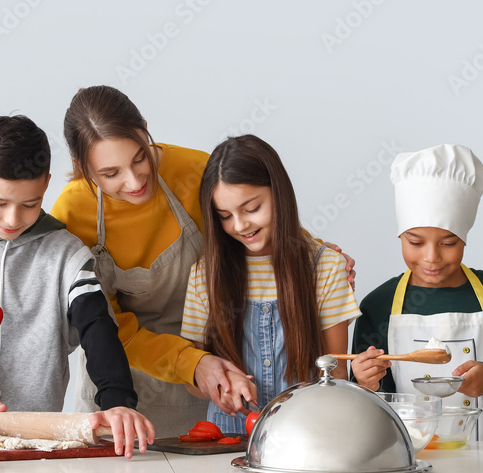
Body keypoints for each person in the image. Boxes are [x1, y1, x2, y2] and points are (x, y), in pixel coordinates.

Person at [51, 85, 356, 437]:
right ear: (80, 166)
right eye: (110, 174)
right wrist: (191, 363)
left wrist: (315, 253)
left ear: (145, 130)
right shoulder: (72, 212)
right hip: (118, 384)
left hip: (208, 377)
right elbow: (102, 321)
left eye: (139, 158)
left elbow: (257, 214)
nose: (134, 181)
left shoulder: (194, 170)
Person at [0, 115, 154, 458]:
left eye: (29, 204)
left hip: (35, 441)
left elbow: (98, 328)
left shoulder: (67, 253)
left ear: (46, 184)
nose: (13, 219)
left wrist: (117, 400)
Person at [350, 144, 483, 446]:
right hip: (410, 468)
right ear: (400, 236)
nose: (432, 257)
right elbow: (370, 412)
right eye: (415, 242)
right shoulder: (379, 306)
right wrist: (363, 383)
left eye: (448, 243)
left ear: (465, 237)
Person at [180, 135, 360, 433]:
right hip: (228, 440)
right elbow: (193, 383)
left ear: (279, 193)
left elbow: (336, 371)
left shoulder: (325, 267)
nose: (239, 225)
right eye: (225, 216)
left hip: (307, 436)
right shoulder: (205, 275)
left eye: (251, 209)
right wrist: (218, 384)